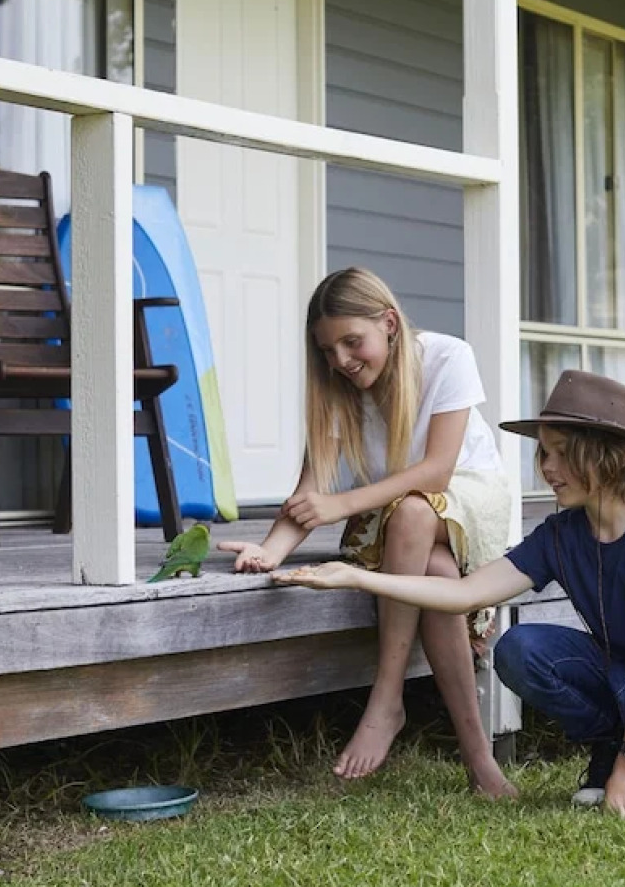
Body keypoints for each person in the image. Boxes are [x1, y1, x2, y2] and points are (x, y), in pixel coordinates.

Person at [273, 369, 625, 818]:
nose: (547, 468)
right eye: (543, 453)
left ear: (609, 456)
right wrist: (358, 577)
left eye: (561, 454)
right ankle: (611, 746)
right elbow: (467, 593)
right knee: (519, 649)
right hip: (623, 665)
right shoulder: (562, 533)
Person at [218, 267, 517, 799]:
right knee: (435, 570)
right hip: (399, 522)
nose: (341, 360)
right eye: (327, 350)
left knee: (414, 513)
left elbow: (437, 473)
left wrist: (342, 505)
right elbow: (310, 494)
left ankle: (386, 696)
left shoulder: (447, 357)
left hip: (467, 498)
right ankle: (480, 762)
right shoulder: (340, 390)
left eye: (352, 342)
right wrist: (269, 551)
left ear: (390, 323)